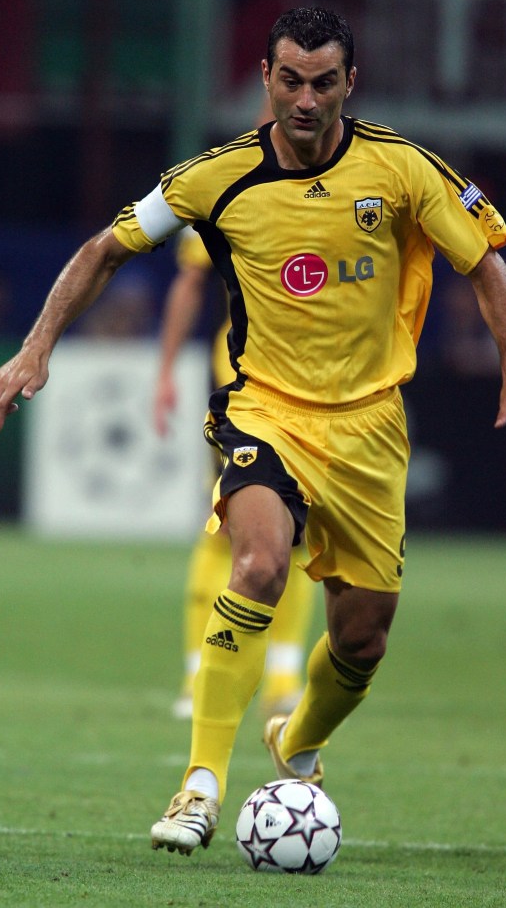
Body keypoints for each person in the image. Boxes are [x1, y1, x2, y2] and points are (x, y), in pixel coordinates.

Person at [0, 7, 506, 859]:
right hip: (266, 411)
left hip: (370, 425)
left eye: (322, 81)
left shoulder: (402, 169)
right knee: (256, 563)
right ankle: (198, 785)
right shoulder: (213, 178)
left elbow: (485, 263)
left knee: (362, 634)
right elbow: (104, 249)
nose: (304, 98)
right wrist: (36, 348)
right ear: (265, 77)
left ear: (349, 83)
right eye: (289, 79)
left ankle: (294, 742)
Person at [155, 226, 315, 719]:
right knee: (223, 524)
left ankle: (284, 677)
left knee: (299, 531)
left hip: (316, 380)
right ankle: (199, 671)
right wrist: (166, 371)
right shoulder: (230, 188)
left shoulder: (344, 188)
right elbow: (189, 280)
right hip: (244, 377)